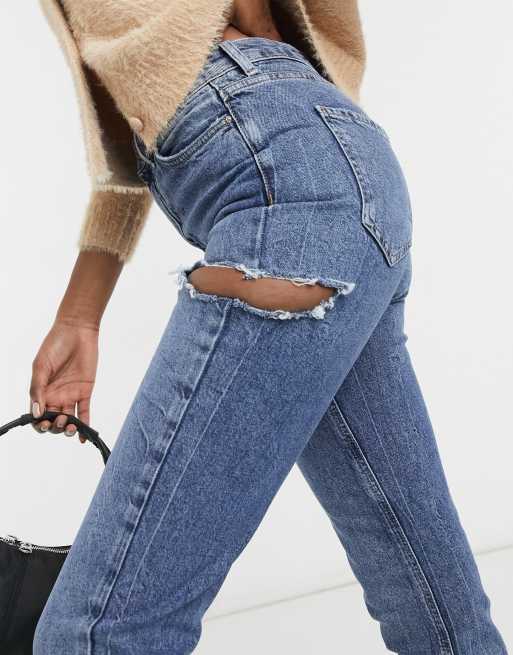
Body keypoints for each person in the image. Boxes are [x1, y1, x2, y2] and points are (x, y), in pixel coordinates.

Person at [30, 1, 507, 653]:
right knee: (433, 607)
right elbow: (128, 108)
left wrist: (259, 38)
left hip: (277, 167)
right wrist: (79, 315)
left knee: (96, 631)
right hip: (327, 154)